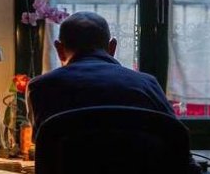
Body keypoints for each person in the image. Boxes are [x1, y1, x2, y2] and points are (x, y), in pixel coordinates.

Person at [25, 11, 176, 136]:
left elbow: (44, 148)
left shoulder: (41, 88)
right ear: (112, 47)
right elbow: (178, 143)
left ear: (59, 49)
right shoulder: (147, 85)